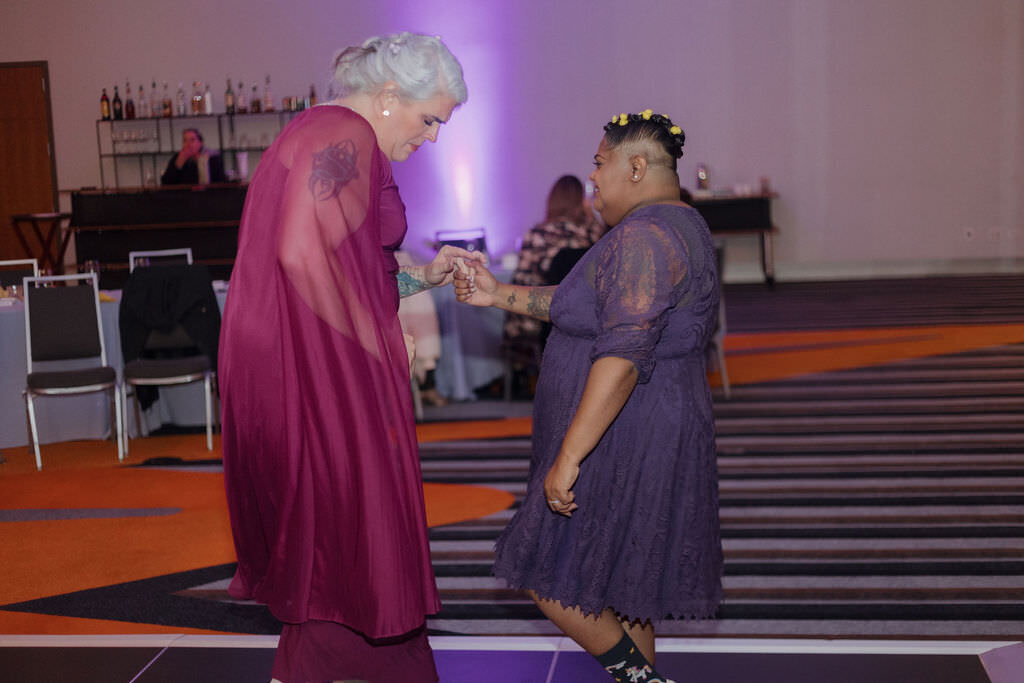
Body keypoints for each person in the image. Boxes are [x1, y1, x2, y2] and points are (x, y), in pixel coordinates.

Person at [219, 32, 477, 683]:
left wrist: (423, 277)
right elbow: (301, 255)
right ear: (390, 96)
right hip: (328, 387)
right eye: (430, 119)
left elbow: (350, 268)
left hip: (316, 378)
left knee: (343, 544)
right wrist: (379, 340)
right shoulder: (345, 133)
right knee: (356, 535)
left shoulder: (318, 133)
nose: (435, 138)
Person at [455, 109, 723, 683]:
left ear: (636, 166)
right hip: (651, 421)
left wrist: (569, 457)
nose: (593, 178)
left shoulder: (646, 237)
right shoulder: (675, 225)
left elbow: (623, 356)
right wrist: (499, 294)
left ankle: (641, 679)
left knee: (542, 563)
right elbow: (586, 307)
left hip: (626, 429)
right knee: (627, 580)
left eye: (599, 164)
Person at [160, 128, 227, 185]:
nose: (188, 144)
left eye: (192, 140)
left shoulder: (212, 157)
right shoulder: (177, 158)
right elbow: (165, 183)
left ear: (200, 143)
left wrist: (204, 164)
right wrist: (177, 166)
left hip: (208, 196)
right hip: (184, 197)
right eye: (185, 140)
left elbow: (221, 182)